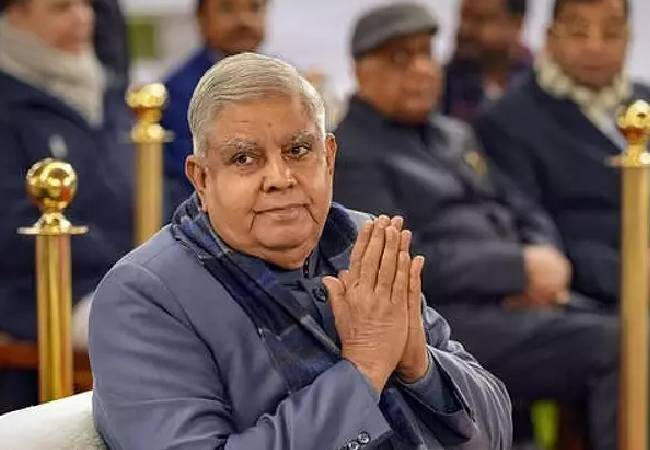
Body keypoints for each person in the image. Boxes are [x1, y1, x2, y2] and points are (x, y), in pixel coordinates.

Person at [89, 52, 512, 450]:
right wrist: (363, 369)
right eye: (244, 158)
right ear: (202, 179)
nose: (280, 177)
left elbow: (495, 432)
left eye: (297, 150)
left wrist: (419, 364)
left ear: (328, 158)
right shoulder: (145, 296)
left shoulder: (364, 243)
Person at [333, 3, 618, 450]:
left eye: (426, 53)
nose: (421, 69)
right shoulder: (353, 152)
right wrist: (516, 270)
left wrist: (545, 259)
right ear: (360, 70)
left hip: (523, 304)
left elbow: (522, 206)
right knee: (617, 343)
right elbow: (397, 261)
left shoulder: (454, 134)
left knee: (628, 323)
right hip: (445, 319)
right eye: (400, 58)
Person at [0, 0, 133, 411]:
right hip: (42, 296)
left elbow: (154, 184)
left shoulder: (105, 90)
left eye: (85, 4)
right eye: (61, 7)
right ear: (16, 14)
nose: (81, 18)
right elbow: (9, 226)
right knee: (162, 335)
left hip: (129, 275)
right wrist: (126, 259)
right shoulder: (8, 103)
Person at [474, 0, 650, 305]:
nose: (595, 46)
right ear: (550, 37)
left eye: (611, 32)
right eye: (579, 32)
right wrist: (633, 274)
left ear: (628, 38)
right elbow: (534, 231)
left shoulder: (643, 103)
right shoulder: (507, 120)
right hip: (595, 300)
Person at [161, 0, 267, 213]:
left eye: (254, 8)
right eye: (227, 9)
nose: (243, 20)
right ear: (202, 19)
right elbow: (188, 182)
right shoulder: (179, 93)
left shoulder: (287, 84)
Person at [442, 0, 531, 123]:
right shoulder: (441, 86)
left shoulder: (539, 89)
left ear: (516, 25)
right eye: (463, 17)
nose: (465, 29)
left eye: (479, 20)